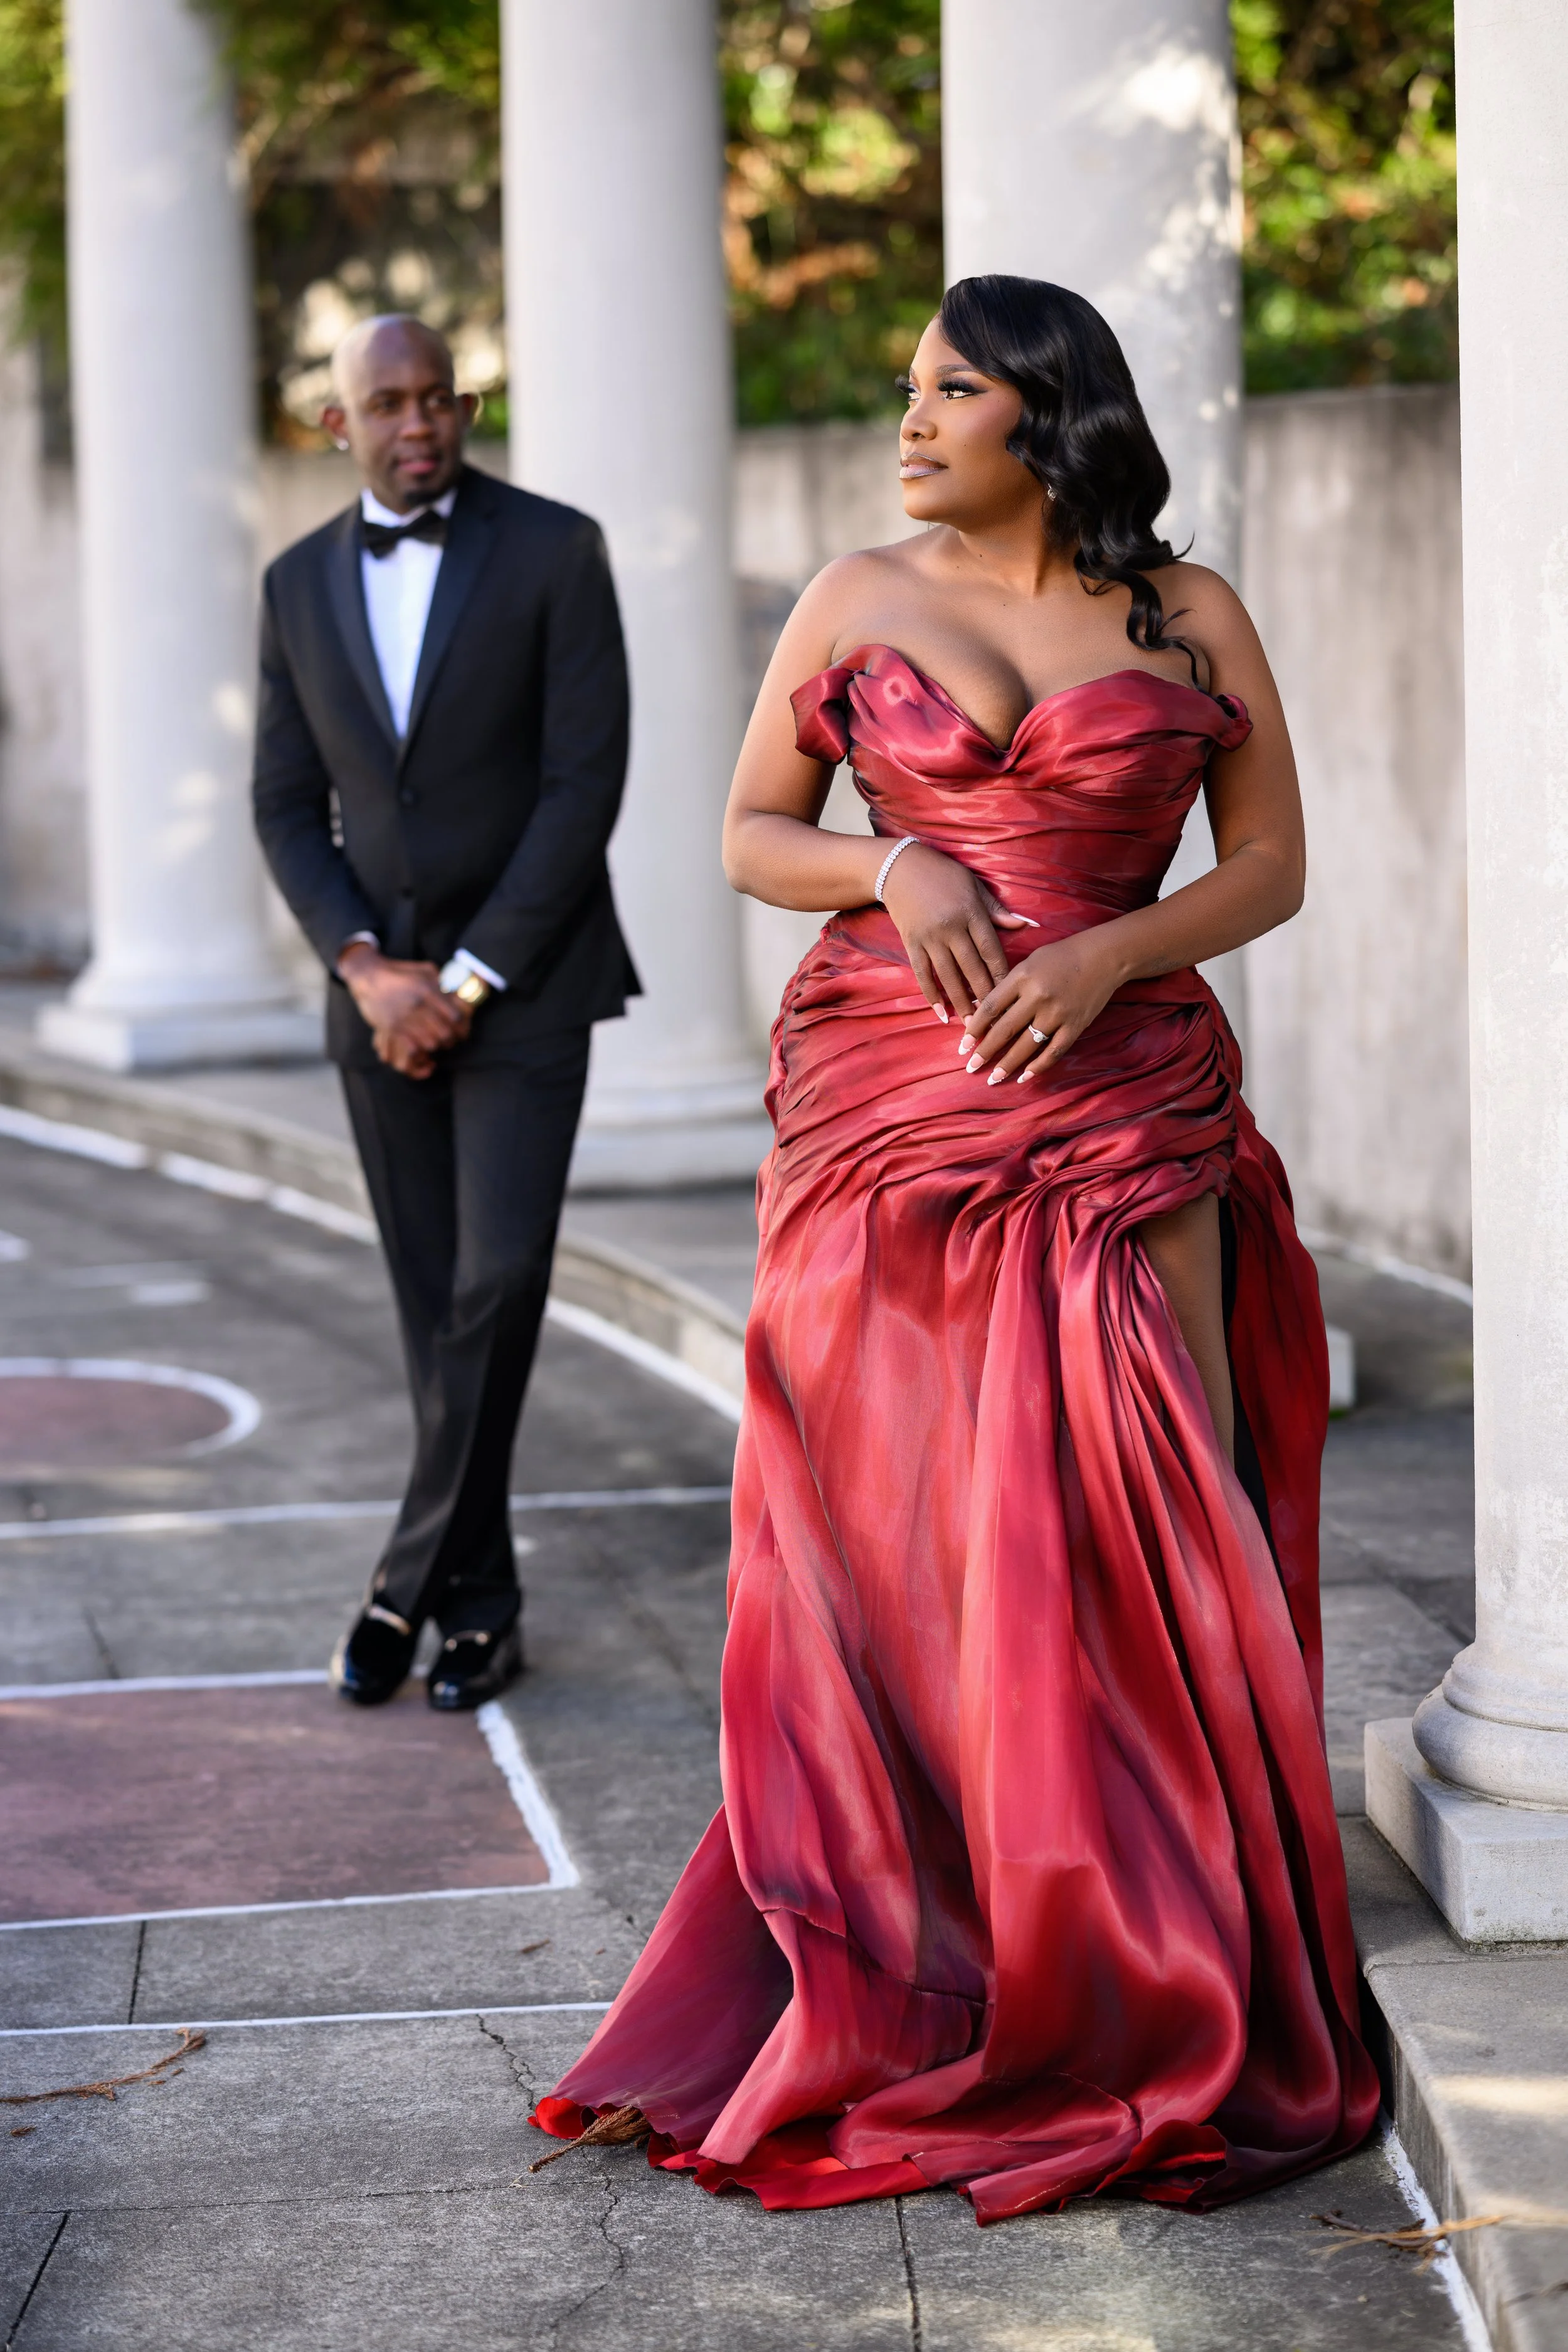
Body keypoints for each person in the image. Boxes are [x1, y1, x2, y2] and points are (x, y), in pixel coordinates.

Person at [532, 277, 1378, 2218]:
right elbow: (751, 833)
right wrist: (891, 858)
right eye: (907, 387)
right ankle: (933, 1951)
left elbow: (1268, 863)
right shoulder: (852, 597)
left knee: (1146, 1531)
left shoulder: (1187, 611)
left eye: (952, 389)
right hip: (885, 1125)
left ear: (1050, 417)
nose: (908, 419)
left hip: (1125, 1107)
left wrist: (1108, 950)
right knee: (895, 1547)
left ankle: (1148, 1954)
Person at [253, 315, 636, 1713]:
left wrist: (465, 979)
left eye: (438, 399)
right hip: (378, 1004)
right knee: (431, 1311)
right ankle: (480, 1608)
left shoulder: (556, 550)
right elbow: (284, 803)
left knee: (498, 1282)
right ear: (337, 423)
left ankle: (398, 1585)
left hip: (526, 989)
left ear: (465, 409)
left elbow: (583, 787)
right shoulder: (296, 582)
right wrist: (368, 971)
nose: (417, 424)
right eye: (388, 404)